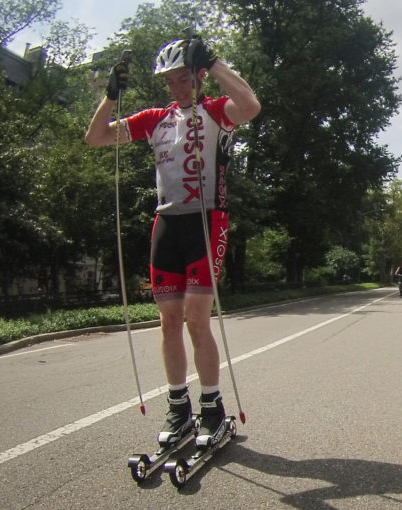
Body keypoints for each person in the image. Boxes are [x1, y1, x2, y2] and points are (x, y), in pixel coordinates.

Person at [84, 36, 260, 448]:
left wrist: (214, 62)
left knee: (197, 317)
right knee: (168, 321)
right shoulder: (153, 119)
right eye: (169, 81)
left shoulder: (215, 111)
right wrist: (111, 96)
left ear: (197, 78)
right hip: (167, 223)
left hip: (206, 221)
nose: (176, 88)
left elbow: (250, 106)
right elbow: (95, 138)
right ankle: (179, 407)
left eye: (183, 79)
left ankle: (212, 407)